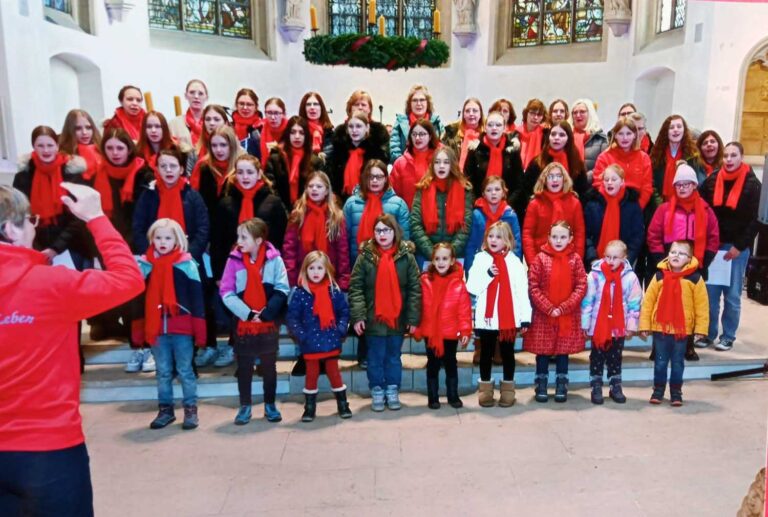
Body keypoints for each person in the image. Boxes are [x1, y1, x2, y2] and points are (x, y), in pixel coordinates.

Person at [0, 182, 143, 516]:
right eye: (29, 220)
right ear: (9, 229)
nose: (34, 226)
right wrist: (96, 217)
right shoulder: (52, 284)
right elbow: (129, 279)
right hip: (49, 452)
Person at [210, 155, 287, 367]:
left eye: (250, 172)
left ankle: (266, 352)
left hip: (266, 267)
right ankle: (238, 347)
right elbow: (217, 241)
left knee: (265, 308)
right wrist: (218, 274)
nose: (245, 177)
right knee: (240, 308)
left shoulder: (272, 203)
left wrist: (277, 266)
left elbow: (281, 237)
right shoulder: (226, 203)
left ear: (259, 174)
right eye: (241, 172)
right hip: (235, 267)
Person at [132, 218, 206, 430]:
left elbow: (197, 299)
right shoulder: (144, 266)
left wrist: (199, 329)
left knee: (185, 370)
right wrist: (137, 328)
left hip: (182, 327)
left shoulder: (187, 264)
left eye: (167, 237)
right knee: (163, 371)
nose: (162, 242)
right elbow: (137, 300)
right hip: (156, 328)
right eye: (158, 237)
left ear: (177, 239)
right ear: (151, 239)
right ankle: (165, 410)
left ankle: (191, 409)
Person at [86, 128, 152, 346]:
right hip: (107, 240)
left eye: (120, 148)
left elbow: (145, 214)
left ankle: (137, 335)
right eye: (110, 148)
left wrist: (133, 243)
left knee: (135, 288)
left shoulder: (143, 173)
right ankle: (118, 325)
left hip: (135, 239)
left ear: (129, 149)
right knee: (112, 286)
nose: (115, 153)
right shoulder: (98, 173)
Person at [348, 215, 421, 412]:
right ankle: (377, 390)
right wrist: (358, 316)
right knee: (375, 357)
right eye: (378, 230)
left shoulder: (407, 257)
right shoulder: (365, 257)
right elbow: (356, 288)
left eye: (386, 230)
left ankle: (392, 389)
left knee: (393, 358)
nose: (382, 234)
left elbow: (415, 289)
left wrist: (413, 318)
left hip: (397, 319)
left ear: (394, 232)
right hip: (373, 319)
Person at [220, 217, 289, 424]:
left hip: (268, 323)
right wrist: (248, 313)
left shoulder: (275, 260)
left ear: (259, 240)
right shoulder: (233, 260)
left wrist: (266, 313)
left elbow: (282, 288)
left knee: (269, 367)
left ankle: (270, 404)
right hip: (244, 324)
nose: (239, 241)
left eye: (244, 237)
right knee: (244, 367)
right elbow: (226, 291)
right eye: (238, 237)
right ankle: (245, 405)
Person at [700, 142, 761, 351]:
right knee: (711, 294)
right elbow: (701, 207)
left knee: (733, 295)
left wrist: (739, 246)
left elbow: (756, 220)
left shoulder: (753, 185)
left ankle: (728, 336)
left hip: (737, 248)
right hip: (714, 247)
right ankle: (708, 334)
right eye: (725, 155)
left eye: (733, 155)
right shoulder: (712, 180)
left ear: (741, 157)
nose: (728, 159)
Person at [466, 221, 531, 408]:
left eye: (499, 237)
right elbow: (472, 287)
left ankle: (508, 391)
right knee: (485, 354)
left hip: (508, 318)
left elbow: (521, 292)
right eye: (490, 236)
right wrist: (487, 274)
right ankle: (485, 391)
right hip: (487, 319)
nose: (494, 240)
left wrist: (525, 317)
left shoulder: (514, 262)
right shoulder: (480, 259)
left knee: (507, 354)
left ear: (508, 241)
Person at [639, 240, 709, 406]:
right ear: (668, 255)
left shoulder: (695, 278)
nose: (676, 255)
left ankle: (676, 392)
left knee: (678, 363)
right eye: (673, 252)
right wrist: (644, 325)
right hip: (660, 329)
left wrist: (701, 329)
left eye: (682, 253)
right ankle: (658, 390)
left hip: (682, 330)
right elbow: (648, 302)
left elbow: (702, 306)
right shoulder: (659, 276)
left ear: (690, 258)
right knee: (661, 361)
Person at [286, 251, 353, 422]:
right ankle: (309, 407)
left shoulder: (334, 291)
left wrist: (340, 329)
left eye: (319, 268)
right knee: (311, 374)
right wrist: (302, 335)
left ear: (327, 270)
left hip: (330, 339)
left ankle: (343, 404)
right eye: (311, 268)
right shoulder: (301, 293)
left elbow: (343, 312)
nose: (315, 272)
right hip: (310, 342)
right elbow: (293, 318)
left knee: (334, 372)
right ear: (305, 271)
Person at [524, 221, 587, 403]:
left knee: (562, 352)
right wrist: (549, 308)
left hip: (567, 314)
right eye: (554, 237)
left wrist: (564, 307)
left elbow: (581, 285)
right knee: (542, 351)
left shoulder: (575, 259)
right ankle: (541, 382)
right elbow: (533, 286)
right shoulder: (540, 259)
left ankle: (561, 383)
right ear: (548, 238)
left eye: (563, 237)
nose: (558, 241)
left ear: (570, 239)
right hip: (544, 315)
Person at [13, 126, 89, 266]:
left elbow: (79, 217)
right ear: (33, 147)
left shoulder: (72, 174)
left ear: (57, 146)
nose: (46, 150)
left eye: (50, 145)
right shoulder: (23, 177)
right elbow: (19, 216)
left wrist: (55, 248)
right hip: (36, 247)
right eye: (40, 145)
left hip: (72, 246)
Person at [581, 240, 642, 404]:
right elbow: (588, 301)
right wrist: (585, 324)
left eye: (615, 257)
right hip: (598, 326)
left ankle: (615, 385)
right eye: (607, 256)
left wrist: (631, 325)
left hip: (618, 326)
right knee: (597, 357)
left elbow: (634, 303)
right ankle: (596, 385)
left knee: (615, 357)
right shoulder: (594, 275)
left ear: (624, 258)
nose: (610, 261)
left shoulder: (630, 277)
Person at [413, 243, 472, 409]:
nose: (440, 262)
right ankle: (433, 397)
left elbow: (464, 310)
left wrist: (465, 329)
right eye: (437, 258)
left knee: (451, 363)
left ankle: (453, 395)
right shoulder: (424, 281)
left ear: (452, 260)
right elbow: (418, 307)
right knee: (432, 364)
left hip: (450, 333)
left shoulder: (458, 285)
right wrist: (416, 326)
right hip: (430, 332)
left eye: (445, 258)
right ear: (432, 260)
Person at [132, 147, 210, 265]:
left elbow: (203, 228)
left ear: (181, 169)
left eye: (173, 166)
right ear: (157, 169)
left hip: (187, 260)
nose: (168, 170)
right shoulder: (148, 195)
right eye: (163, 166)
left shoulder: (193, 196)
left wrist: (189, 254)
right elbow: (138, 227)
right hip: (154, 259)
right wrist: (149, 253)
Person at [283, 171, 350, 291]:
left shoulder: (336, 216)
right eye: (310, 186)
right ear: (306, 189)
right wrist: (291, 280)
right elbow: (289, 250)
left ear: (326, 191)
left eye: (319, 186)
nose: (314, 189)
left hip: (329, 277)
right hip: (302, 278)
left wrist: (343, 282)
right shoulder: (298, 215)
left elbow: (342, 252)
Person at [410, 147, 473, 266]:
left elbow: (466, 225)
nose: (441, 166)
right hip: (427, 256)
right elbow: (415, 224)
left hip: (454, 256)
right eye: (437, 162)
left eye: (446, 162)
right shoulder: (422, 189)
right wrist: (433, 253)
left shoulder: (465, 190)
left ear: (453, 165)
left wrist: (449, 254)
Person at [343, 159, 410, 265]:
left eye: (379, 177)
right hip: (357, 264)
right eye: (370, 177)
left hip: (390, 265)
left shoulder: (399, 205)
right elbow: (343, 241)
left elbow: (404, 240)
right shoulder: (351, 204)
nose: (374, 180)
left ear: (386, 179)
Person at [522, 162, 585, 266]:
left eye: (558, 176)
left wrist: (576, 262)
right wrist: (533, 263)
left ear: (564, 179)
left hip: (569, 261)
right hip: (540, 262)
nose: (555, 180)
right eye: (550, 176)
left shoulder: (575, 203)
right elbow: (527, 235)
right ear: (544, 180)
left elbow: (579, 234)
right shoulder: (535, 204)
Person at [522, 120, 588, 217]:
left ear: (568, 138)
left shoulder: (576, 163)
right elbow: (526, 189)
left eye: (561, 135)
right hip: (542, 214)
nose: (556, 138)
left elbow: (582, 193)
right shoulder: (537, 162)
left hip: (568, 214)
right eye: (553, 134)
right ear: (548, 137)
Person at [583, 164, 645, 267]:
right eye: (606, 179)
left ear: (622, 182)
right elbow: (586, 234)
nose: (609, 182)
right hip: (596, 262)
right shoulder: (592, 204)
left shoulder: (632, 205)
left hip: (623, 263)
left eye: (614, 179)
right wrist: (592, 258)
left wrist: (625, 260)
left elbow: (637, 236)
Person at [592, 117, 653, 209]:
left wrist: (637, 208)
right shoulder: (604, 157)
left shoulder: (644, 158)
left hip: (635, 206)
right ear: (615, 135)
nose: (625, 138)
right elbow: (598, 183)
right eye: (621, 134)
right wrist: (612, 206)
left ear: (635, 135)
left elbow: (647, 188)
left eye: (628, 133)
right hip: (610, 204)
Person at [327, 111, 389, 201]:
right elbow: (332, 180)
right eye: (351, 126)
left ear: (367, 128)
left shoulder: (377, 153)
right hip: (342, 201)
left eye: (359, 126)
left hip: (371, 200)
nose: (354, 130)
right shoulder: (338, 153)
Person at [462, 111, 524, 202]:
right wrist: (477, 204)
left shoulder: (512, 151)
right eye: (490, 125)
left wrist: (507, 205)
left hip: (506, 206)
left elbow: (519, 183)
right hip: (479, 206)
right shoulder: (475, 150)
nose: (494, 128)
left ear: (504, 128)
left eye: (498, 125)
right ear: (485, 128)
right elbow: (467, 181)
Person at [465, 176, 522, 274]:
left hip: (505, 264)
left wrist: (513, 268)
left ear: (503, 192)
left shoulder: (511, 215)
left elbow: (516, 244)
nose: (493, 193)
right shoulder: (476, 215)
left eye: (497, 189)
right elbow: (471, 244)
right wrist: (470, 270)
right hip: (481, 264)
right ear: (483, 194)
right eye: (489, 190)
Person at [265, 115, 323, 208]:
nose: (297, 136)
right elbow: (271, 188)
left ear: (306, 135)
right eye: (293, 132)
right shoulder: (274, 159)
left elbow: (320, 191)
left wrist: (301, 211)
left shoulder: (316, 161)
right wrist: (284, 213)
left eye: (301, 133)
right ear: (287, 134)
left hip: (308, 211)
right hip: (279, 211)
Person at [650, 114, 704, 208]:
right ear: (666, 131)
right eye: (671, 127)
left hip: (685, 206)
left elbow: (697, 183)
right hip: (660, 206)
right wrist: (659, 204)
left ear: (684, 130)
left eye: (679, 126)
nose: (675, 130)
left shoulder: (692, 155)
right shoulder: (657, 154)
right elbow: (652, 182)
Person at [390, 119, 441, 208]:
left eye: (422, 134)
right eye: (414, 134)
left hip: (438, 217)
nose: (417, 138)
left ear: (430, 136)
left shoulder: (441, 161)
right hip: (408, 217)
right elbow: (393, 196)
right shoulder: (400, 163)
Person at [390, 84, 444, 162]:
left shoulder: (437, 123)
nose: (418, 104)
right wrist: (403, 165)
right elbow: (394, 149)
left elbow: (442, 150)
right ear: (409, 103)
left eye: (422, 100)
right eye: (415, 100)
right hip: (405, 168)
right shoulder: (400, 123)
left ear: (427, 103)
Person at [59, 109, 102, 181]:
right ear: (69, 130)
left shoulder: (103, 150)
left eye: (88, 127)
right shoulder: (63, 158)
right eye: (78, 128)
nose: (84, 132)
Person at [441, 97, 483, 171]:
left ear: (480, 114)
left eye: (475, 111)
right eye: (467, 111)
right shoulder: (451, 135)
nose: (471, 114)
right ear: (463, 114)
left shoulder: (485, 136)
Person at [569, 98, 608, 175]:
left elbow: (603, 166)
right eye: (575, 112)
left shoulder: (601, 138)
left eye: (582, 112)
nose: (578, 115)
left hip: (591, 184)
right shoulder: (566, 137)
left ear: (590, 114)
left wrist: (584, 180)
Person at [188, 104, 230, 175]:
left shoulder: (238, 151)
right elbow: (189, 180)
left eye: (216, 119)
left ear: (226, 123)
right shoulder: (195, 153)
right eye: (208, 119)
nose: (211, 123)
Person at [169, 79, 209, 149]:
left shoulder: (213, 122)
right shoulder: (174, 124)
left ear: (206, 97)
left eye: (201, 93)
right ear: (186, 95)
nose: (196, 96)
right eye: (192, 92)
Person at [298, 91, 334, 156]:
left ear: (321, 108)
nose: (312, 107)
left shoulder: (330, 134)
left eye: (315, 104)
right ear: (304, 109)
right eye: (308, 105)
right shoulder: (298, 133)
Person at [517, 98, 547, 170]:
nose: (535, 117)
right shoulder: (516, 133)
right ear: (526, 113)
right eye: (532, 113)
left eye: (539, 115)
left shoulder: (545, 135)